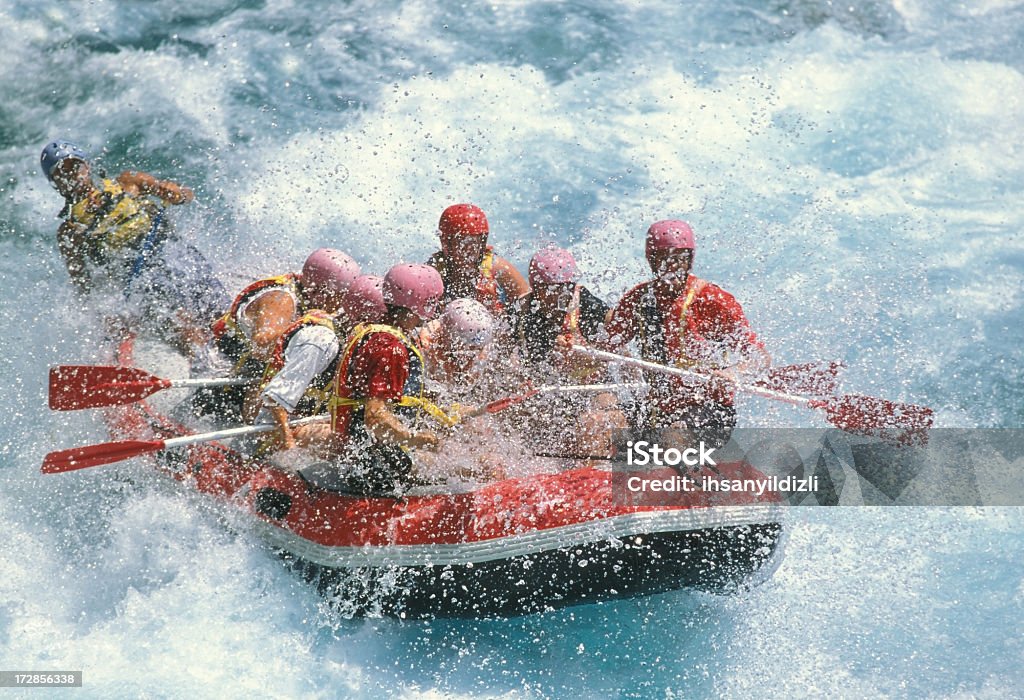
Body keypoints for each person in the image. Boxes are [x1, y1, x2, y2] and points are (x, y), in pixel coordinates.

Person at [41, 139, 227, 350]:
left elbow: (186, 195)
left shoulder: (128, 182)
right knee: (183, 325)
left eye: (75, 166)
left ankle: (241, 351)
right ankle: (205, 369)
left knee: (220, 313)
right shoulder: (70, 230)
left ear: (87, 166)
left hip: (174, 254)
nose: (72, 175)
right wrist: (106, 317)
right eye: (62, 172)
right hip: (139, 281)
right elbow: (84, 286)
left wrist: (176, 194)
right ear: (56, 183)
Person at [603, 220, 770, 448]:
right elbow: (604, 347)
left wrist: (733, 373)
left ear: (689, 260)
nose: (672, 266)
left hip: (709, 411)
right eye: (665, 259)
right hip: (656, 407)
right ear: (652, 261)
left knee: (672, 436)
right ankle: (592, 479)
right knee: (599, 423)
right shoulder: (638, 299)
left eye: (679, 259)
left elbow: (759, 358)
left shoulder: (713, 300)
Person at [318, 263, 452, 495]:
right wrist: (416, 439)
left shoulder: (371, 331)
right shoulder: (391, 348)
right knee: (474, 469)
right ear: (422, 302)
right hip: (373, 466)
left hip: (355, 453)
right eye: (433, 300)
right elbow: (375, 417)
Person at [197, 248, 359, 421]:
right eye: (341, 296)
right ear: (321, 292)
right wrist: (303, 338)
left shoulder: (306, 294)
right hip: (221, 379)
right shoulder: (281, 300)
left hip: (241, 376)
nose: (343, 304)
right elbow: (262, 343)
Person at [512, 246, 623, 456]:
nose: (561, 296)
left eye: (566, 288)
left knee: (603, 416)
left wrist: (588, 350)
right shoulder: (521, 312)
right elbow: (498, 356)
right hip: (548, 394)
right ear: (537, 288)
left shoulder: (585, 303)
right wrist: (515, 379)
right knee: (519, 417)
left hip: (593, 387)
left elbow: (618, 333)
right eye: (553, 290)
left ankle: (599, 467)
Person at [426, 203, 530, 318]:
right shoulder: (433, 273)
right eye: (463, 243)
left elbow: (528, 307)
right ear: (447, 244)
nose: (469, 250)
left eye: (474, 242)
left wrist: (496, 312)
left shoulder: (497, 268)